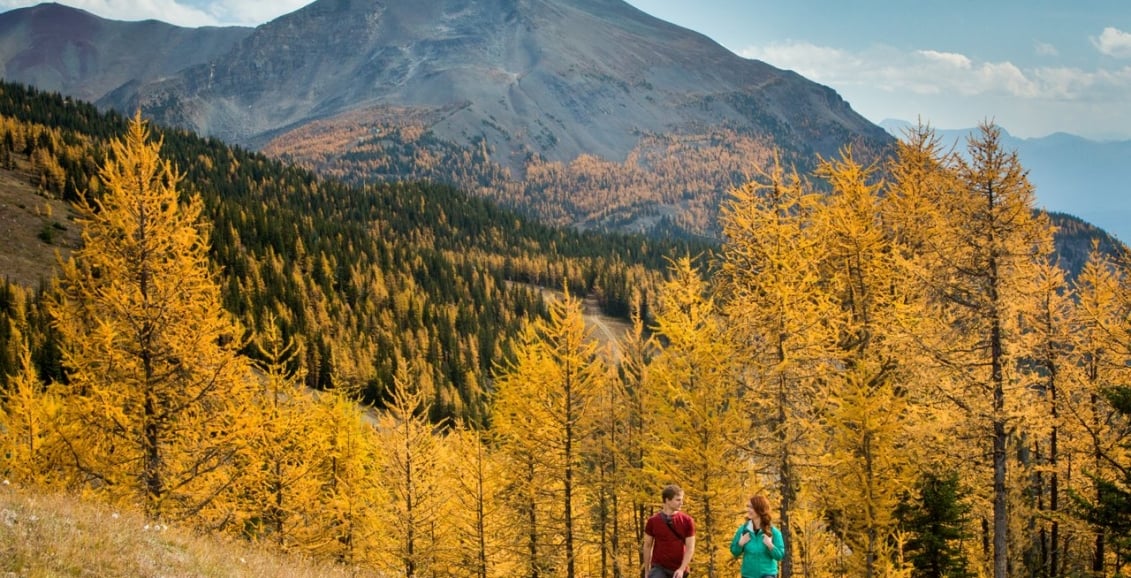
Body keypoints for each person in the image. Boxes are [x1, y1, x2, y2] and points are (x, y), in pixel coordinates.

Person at [642, 484, 696, 578]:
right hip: (659, 568)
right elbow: (647, 546)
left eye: (682, 499)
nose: (681, 503)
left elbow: (690, 547)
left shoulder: (687, 521)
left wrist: (681, 569)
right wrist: (647, 571)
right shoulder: (653, 521)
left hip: (679, 569)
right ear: (667, 500)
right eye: (678, 500)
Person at [729, 495, 784, 578]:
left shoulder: (774, 532)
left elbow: (779, 556)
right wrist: (740, 543)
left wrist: (770, 545)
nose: (748, 510)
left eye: (751, 507)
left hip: (767, 575)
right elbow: (734, 551)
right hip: (748, 575)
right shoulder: (743, 530)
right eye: (748, 507)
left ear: (759, 509)